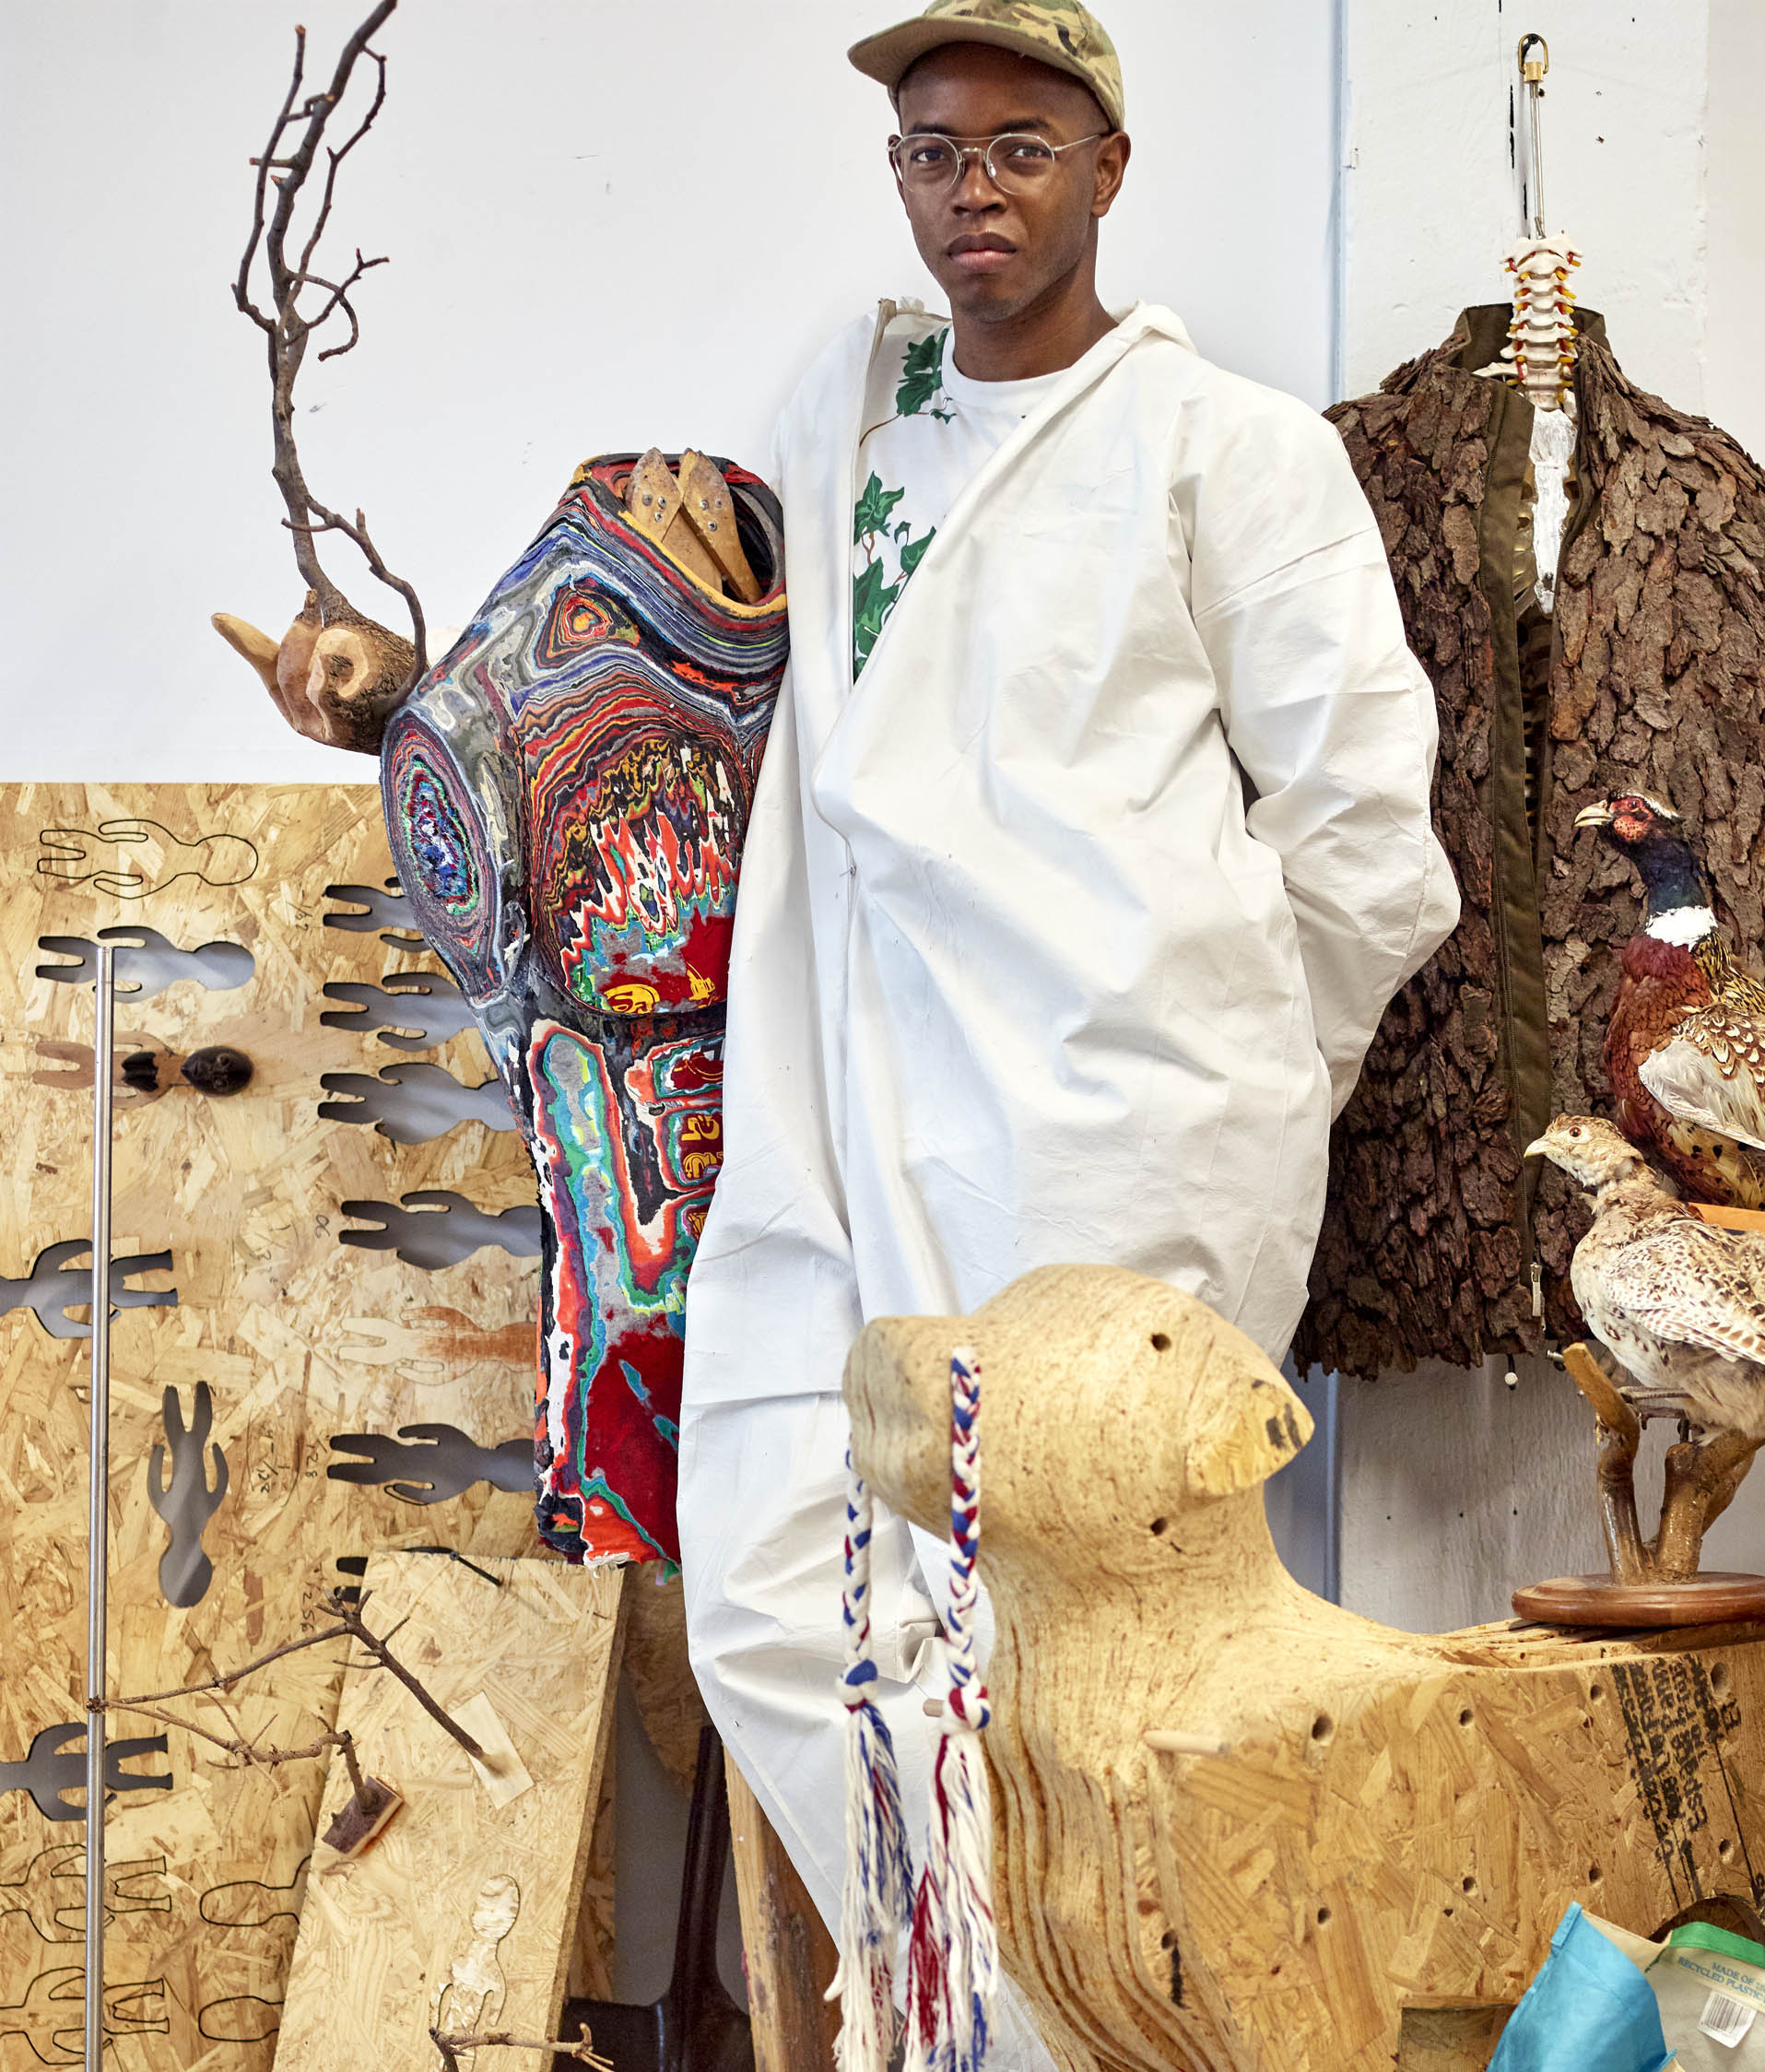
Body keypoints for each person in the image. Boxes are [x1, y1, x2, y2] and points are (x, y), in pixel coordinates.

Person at [674, 1, 1457, 2059]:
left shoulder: (1224, 450)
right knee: (774, 1588)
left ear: (1109, 167)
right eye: (932, 153)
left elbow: (1369, 841)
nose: (974, 193)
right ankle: (978, 2029)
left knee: (1060, 1664)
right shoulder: (853, 415)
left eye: (1020, 148)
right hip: (846, 1104)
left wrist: (1229, 1071)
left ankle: (1064, 2038)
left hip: (1112, 1141)